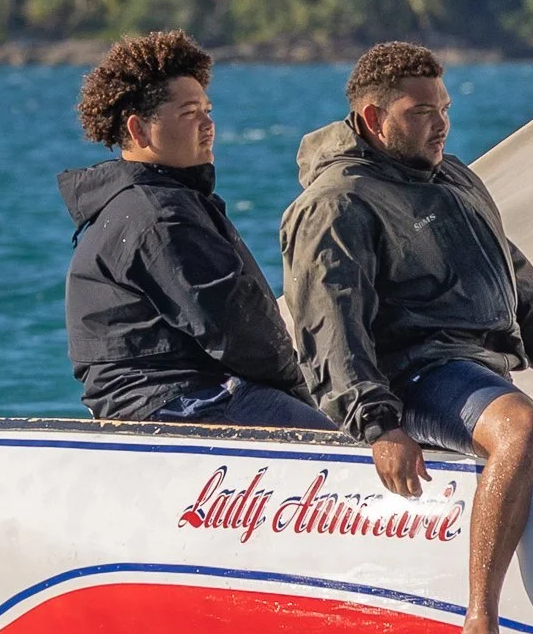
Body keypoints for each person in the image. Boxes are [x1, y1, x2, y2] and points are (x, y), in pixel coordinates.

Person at [281, 41, 533, 634]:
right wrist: (380, 425)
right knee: (519, 429)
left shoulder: (454, 176)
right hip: (412, 374)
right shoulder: (337, 202)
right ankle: (480, 616)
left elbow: (509, 271)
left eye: (445, 107)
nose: (441, 123)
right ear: (375, 120)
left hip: (476, 367)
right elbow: (329, 328)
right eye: (421, 111)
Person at [59, 29, 333, 431]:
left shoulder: (162, 200)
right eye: (189, 113)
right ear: (138, 130)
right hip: (173, 400)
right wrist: (301, 392)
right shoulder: (159, 215)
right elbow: (236, 332)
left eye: (208, 110)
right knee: (336, 443)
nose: (208, 125)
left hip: (180, 391)